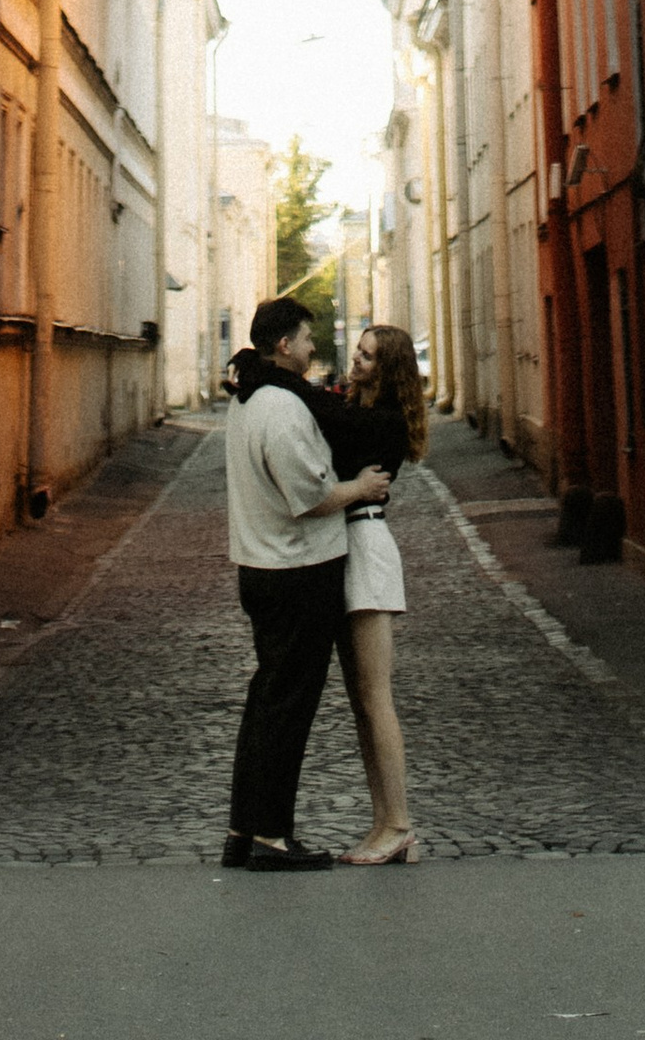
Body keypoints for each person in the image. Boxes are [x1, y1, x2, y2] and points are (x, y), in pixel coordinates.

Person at [221, 294, 392, 872]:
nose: (315, 347)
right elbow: (312, 497)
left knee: (266, 698)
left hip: (261, 566)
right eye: (306, 337)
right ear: (285, 345)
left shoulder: (249, 400)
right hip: (295, 571)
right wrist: (362, 488)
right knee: (288, 706)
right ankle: (272, 836)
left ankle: (244, 828)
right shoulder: (282, 408)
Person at [318, 322, 426, 866]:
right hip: (350, 543)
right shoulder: (359, 409)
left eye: (367, 358)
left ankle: (400, 823)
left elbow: (334, 420)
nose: (356, 362)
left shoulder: (381, 422)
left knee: (375, 696)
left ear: (388, 371)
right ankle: (384, 822)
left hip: (366, 543)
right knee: (362, 701)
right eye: (358, 353)